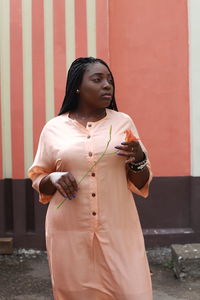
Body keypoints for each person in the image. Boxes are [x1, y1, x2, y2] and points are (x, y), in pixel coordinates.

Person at [28, 57, 153, 300]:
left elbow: (140, 183)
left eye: (109, 80)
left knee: (134, 292)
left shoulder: (122, 122)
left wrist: (138, 159)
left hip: (119, 229)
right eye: (97, 80)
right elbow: (38, 176)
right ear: (77, 86)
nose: (107, 85)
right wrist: (53, 178)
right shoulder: (54, 128)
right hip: (68, 232)